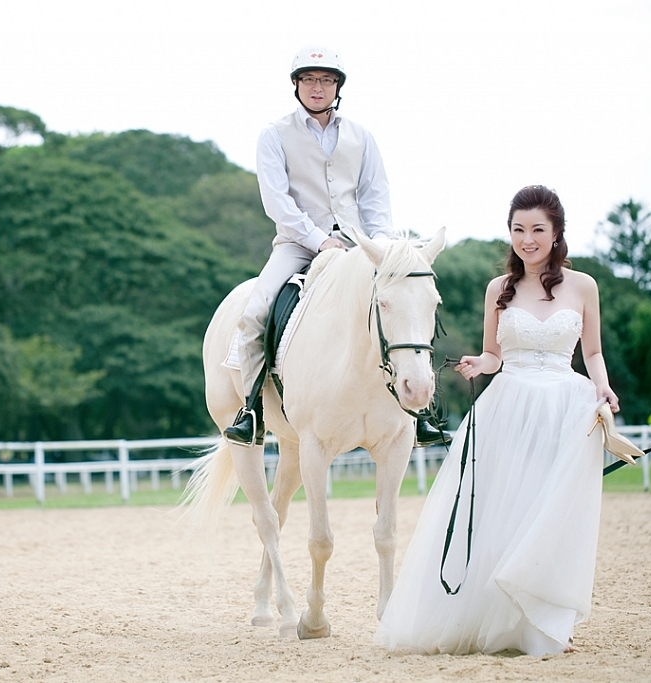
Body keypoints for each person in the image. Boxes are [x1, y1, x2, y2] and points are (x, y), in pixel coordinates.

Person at [376, 185, 621, 655]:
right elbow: (494, 354)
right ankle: (500, 620)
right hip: (510, 406)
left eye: (537, 230)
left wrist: (602, 387)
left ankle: (547, 623)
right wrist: (479, 363)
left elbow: (592, 352)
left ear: (556, 232)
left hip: (566, 407)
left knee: (554, 515)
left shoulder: (584, 286)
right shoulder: (498, 289)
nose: (527, 239)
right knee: (505, 509)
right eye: (518, 229)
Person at [224, 46, 447, 448]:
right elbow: (277, 202)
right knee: (256, 312)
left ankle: (418, 412)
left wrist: (382, 249)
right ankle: (252, 409)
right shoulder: (274, 134)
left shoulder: (362, 137)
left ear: (337, 87)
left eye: (326, 80)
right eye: (309, 79)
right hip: (297, 245)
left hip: (358, 245)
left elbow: (375, 197)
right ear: (296, 85)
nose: (318, 87)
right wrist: (318, 239)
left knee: (406, 301)